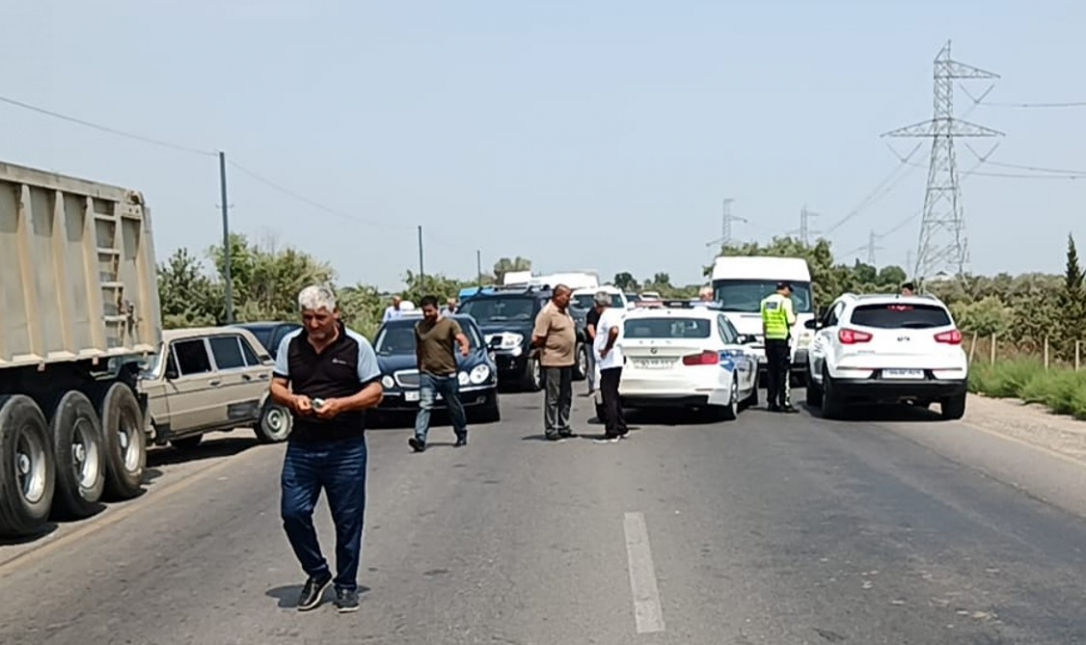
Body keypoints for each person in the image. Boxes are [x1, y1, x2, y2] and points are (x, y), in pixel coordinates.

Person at [270, 285, 384, 613]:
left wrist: (341, 405)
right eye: (308, 318)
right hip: (303, 447)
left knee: (347, 520)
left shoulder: (356, 345)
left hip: (345, 448)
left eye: (321, 317)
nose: (314, 324)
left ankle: (346, 584)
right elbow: (276, 386)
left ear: (336, 314)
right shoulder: (290, 345)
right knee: (293, 513)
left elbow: (375, 391)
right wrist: (294, 400)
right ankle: (318, 574)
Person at [409, 295, 471, 452]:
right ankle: (420, 438)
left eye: (430, 311)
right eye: (424, 312)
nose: (427, 314)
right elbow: (419, 349)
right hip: (427, 373)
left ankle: (461, 432)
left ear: (437, 308)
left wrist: (464, 346)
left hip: (448, 373)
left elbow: (461, 338)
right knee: (425, 405)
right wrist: (419, 367)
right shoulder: (419, 326)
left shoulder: (450, 324)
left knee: (454, 406)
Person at [532, 284, 577, 441]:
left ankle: (564, 425)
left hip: (568, 360)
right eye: (566, 296)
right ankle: (551, 428)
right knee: (553, 396)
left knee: (566, 395)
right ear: (557, 296)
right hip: (553, 360)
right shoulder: (547, 313)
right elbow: (537, 337)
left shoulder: (565, 311)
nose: (569, 299)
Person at [594, 294, 628, 442]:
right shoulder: (610, 315)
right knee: (612, 394)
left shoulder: (608, 316)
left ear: (597, 304)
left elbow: (614, 331)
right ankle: (620, 426)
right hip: (609, 362)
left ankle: (613, 430)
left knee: (608, 396)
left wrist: (607, 348)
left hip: (610, 361)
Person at [760, 281, 798, 413]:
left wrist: (765, 338)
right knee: (783, 372)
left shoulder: (765, 302)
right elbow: (791, 321)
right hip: (782, 339)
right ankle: (784, 402)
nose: (790, 293)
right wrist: (796, 316)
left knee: (771, 371)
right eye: (789, 291)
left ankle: (771, 401)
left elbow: (764, 323)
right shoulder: (785, 302)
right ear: (785, 289)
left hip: (769, 339)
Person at [583, 293, 606, 396]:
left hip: (605, 343)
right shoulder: (592, 313)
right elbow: (590, 327)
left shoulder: (607, 313)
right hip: (591, 343)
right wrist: (596, 340)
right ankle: (592, 388)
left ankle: (603, 386)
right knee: (591, 364)